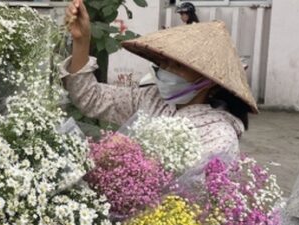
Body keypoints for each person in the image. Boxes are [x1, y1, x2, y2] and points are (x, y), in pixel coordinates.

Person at [62, 0, 257, 161]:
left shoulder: (217, 135)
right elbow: (91, 98)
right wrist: (82, 41)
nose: (166, 71)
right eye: (164, 63)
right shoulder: (150, 99)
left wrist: (129, 156)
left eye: (178, 66)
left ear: (210, 80)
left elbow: (198, 196)